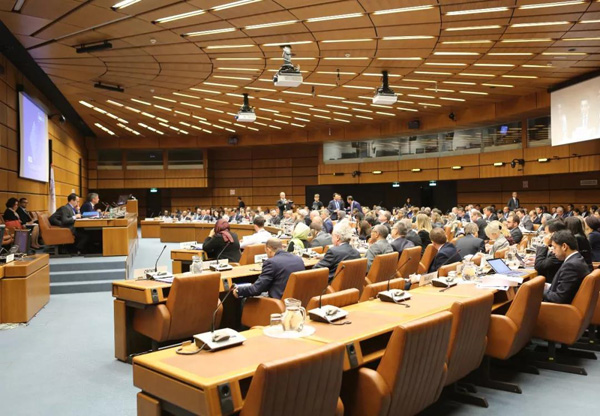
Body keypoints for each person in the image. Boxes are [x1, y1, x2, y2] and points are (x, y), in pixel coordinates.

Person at [233, 238, 305, 300]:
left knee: (244, 299)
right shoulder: (298, 259)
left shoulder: (271, 262)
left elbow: (256, 290)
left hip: (277, 302)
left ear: (268, 249)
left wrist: (239, 291)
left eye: (266, 252)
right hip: (296, 300)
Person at [543, 230, 590, 304]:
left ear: (564, 246)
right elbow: (565, 288)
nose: (553, 252)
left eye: (554, 247)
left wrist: (539, 290)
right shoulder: (577, 259)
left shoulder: (571, 266)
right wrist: (548, 286)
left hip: (557, 308)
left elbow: (559, 298)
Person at [535, 219, 566, 284]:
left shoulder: (560, 250)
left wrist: (544, 244)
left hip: (550, 284)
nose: (545, 236)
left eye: (546, 233)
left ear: (553, 234)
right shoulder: (560, 244)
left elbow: (539, 266)